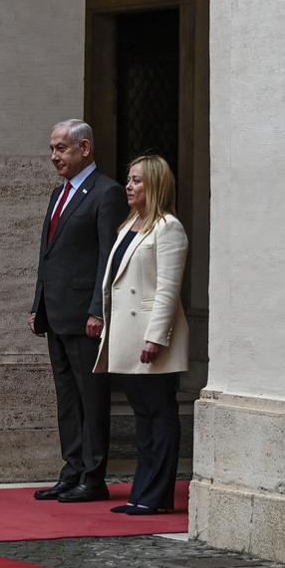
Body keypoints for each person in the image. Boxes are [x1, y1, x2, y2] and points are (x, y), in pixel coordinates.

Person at [29, 119, 127, 503]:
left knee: (91, 396)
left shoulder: (107, 193)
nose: (54, 156)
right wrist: (38, 304)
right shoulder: (58, 194)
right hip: (56, 313)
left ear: (84, 148)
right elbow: (48, 254)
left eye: (61, 149)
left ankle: (93, 476)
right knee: (67, 398)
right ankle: (71, 471)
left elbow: (108, 256)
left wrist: (99, 310)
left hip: (87, 316)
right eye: (52, 149)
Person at [95, 155, 189, 515]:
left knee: (159, 413)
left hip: (151, 336)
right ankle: (141, 492)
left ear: (155, 185)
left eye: (136, 181)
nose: (129, 186)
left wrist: (157, 337)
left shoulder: (168, 227)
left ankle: (157, 496)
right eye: (128, 180)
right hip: (126, 332)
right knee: (142, 415)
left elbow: (167, 288)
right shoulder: (129, 225)